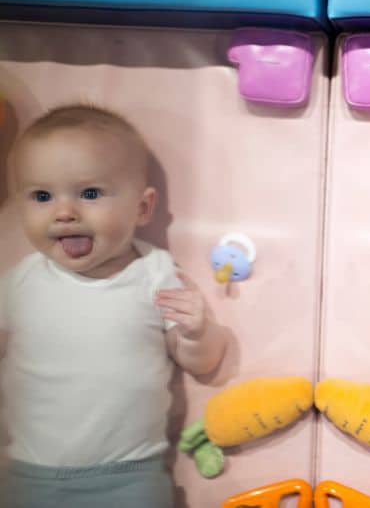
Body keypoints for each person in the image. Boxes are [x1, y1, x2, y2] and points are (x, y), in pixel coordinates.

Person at [0, 105, 227, 508]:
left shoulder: (154, 274)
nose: (64, 212)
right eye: (41, 196)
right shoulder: (19, 282)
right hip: (30, 476)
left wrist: (197, 333)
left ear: (142, 208)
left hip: (130, 477)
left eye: (89, 193)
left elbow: (202, 363)